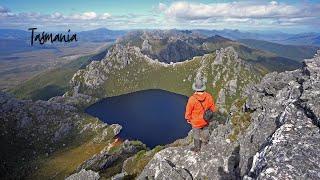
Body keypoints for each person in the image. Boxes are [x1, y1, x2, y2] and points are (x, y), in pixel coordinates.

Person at [185, 78, 216, 152]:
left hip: (196, 122)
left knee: (196, 134)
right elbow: (213, 108)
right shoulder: (208, 96)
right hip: (206, 120)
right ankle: (205, 142)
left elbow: (188, 111)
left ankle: (197, 148)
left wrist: (188, 119)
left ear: (195, 88)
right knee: (205, 130)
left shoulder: (192, 99)